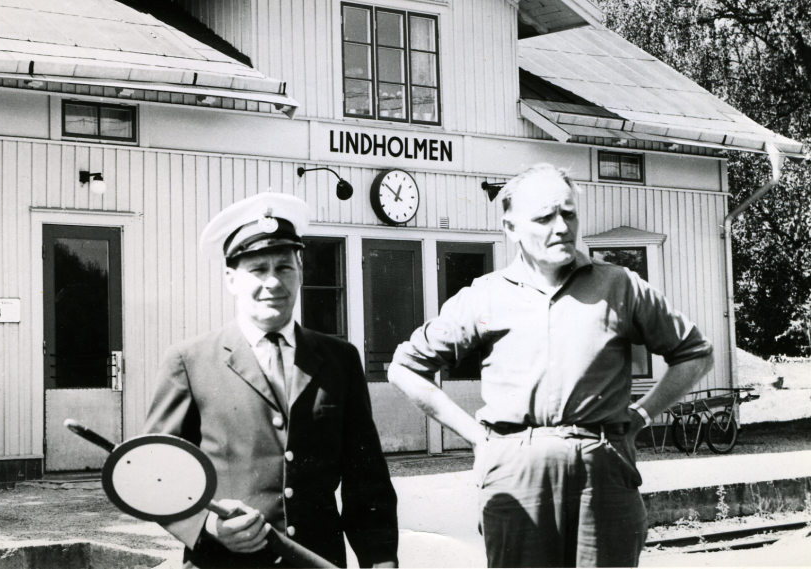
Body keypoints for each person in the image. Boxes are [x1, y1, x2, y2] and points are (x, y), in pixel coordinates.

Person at [388, 164, 713, 568]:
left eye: (569, 213)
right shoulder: (484, 297)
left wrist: (644, 413)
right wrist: (476, 437)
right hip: (515, 472)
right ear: (511, 228)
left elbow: (696, 352)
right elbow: (405, 368)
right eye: (544, 217)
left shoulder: (620, 285)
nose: (561, 227)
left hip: (604, 469)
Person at [142, 192, 399, 569]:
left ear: (301, 273)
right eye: (258, 269)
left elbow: (368, 480)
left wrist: (380, 560)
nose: (273, 282)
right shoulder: (190, 361)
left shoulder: (339, 359)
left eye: (285, 267)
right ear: (231, 279)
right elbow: (155, 474)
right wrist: (208, 524)